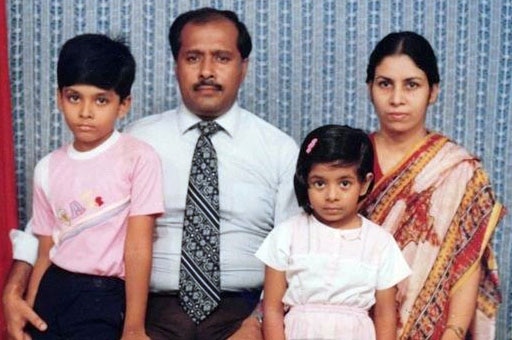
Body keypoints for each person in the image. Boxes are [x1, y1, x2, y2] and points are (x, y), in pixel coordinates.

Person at [3, 7, 299, 340]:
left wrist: (259, 320)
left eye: (221, 58)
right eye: (192, 58)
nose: (206, 71)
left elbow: (298, 249)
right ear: (175, 66)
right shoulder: (133, 141)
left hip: (242, 312)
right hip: (147, 312)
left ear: (243, 67)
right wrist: (14, 290)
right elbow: (60, 221)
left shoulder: (280, 151)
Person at [359, 31, 505, 340]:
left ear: (433, 91)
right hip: (348, 326)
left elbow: (465, 266)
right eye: (385, 84)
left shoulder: (459, 172)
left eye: (411, 85)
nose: (397, 98)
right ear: (370, 88)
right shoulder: (348, 161)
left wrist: (452, 333)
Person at [19, 34, 164, 339]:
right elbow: (46, 249)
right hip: (54, 290)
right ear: (60, 97)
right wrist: (31, 311)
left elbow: (139, 247)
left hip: (104, 296)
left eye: (101, 100)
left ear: (124, 104)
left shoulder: (138, 158)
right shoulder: (47, 168)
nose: (85, 112)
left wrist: (134, 327)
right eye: (74, 97)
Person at [255, 125, 411, 340]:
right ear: (305, 182)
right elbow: (272, 310)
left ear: (364, 184)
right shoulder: (286, 235)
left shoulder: (379, 242)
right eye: (319, 183)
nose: (331, 196)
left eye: (344, 183)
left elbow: (385, 315)